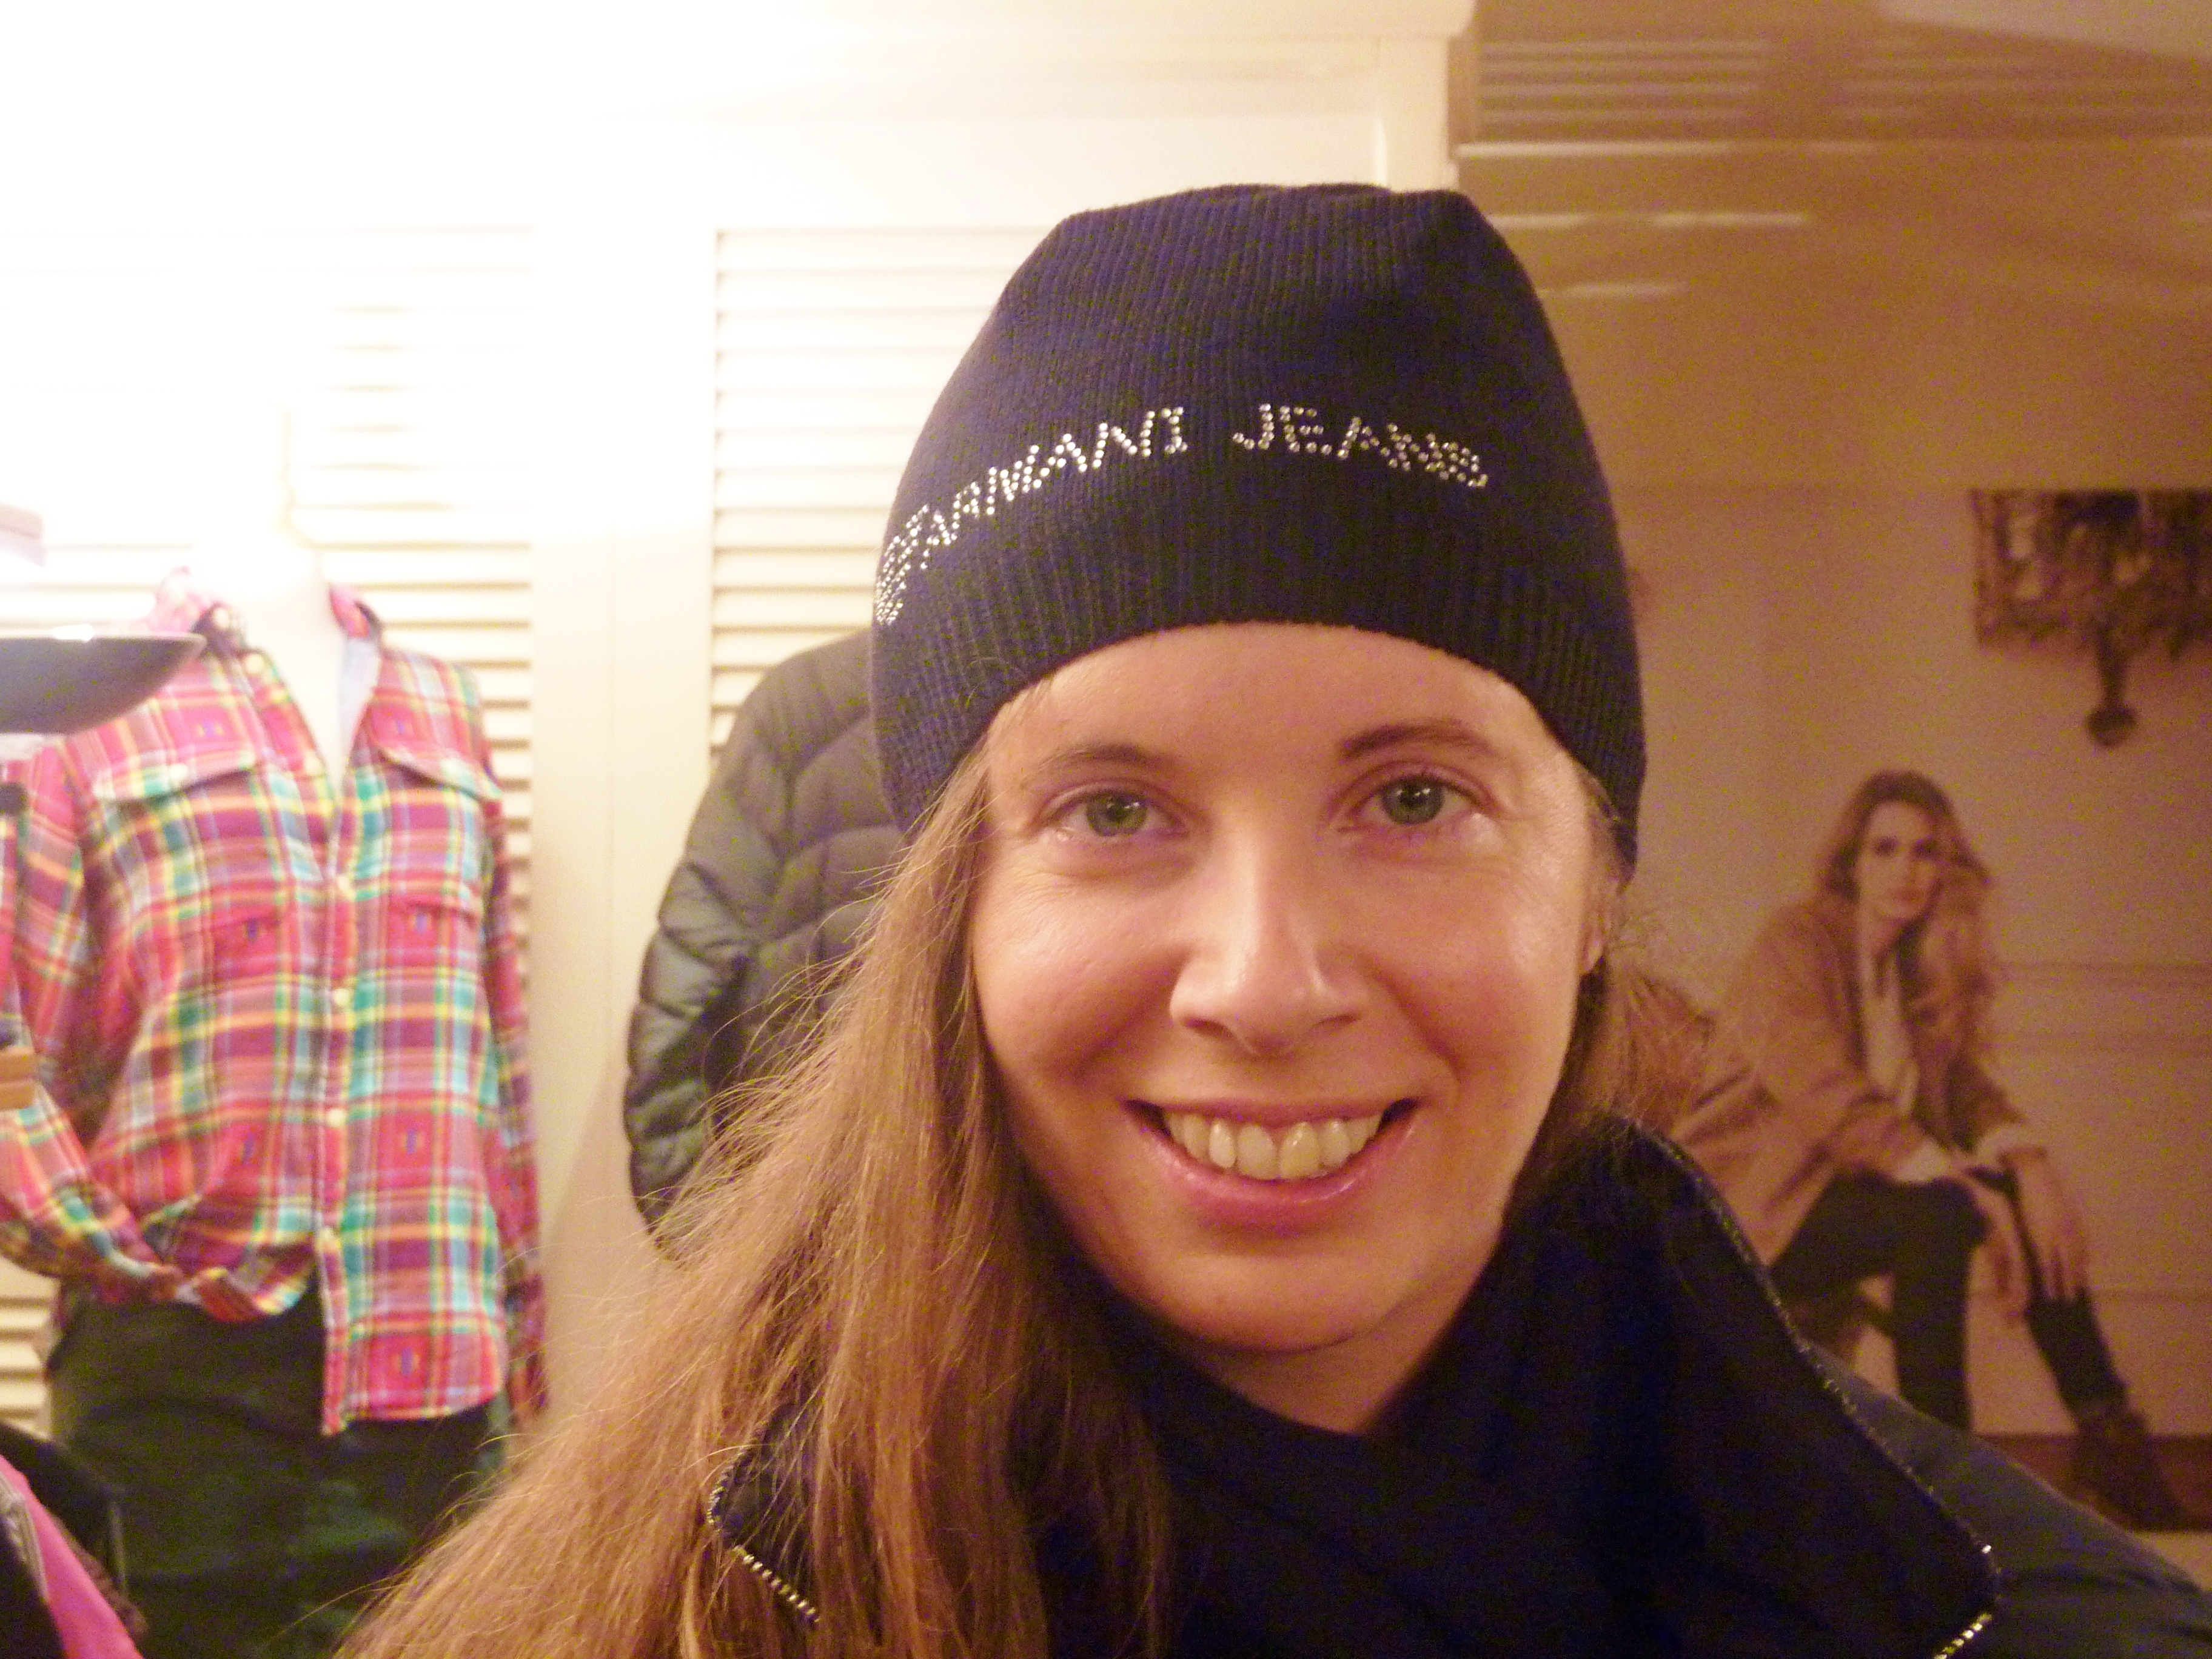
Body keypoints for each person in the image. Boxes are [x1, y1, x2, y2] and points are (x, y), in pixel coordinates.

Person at [344, 187, 2212, 1659]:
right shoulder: (650, 1611)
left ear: (1594, 887)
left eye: (1415, 800)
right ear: (958, 914)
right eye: (1114, 812)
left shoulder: (2013, 1621)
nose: (1261, 981)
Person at [2, 477, 540, 1657]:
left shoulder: (444, 708)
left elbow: (493, 1049)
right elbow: (11, 1045)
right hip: (181, 1392)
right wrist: (118, 1252)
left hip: (437, 1383)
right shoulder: (97, 709)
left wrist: (523, 1317)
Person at [1671, 770, 2199, 1530]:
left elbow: (1969, 1091)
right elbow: (1826, 1092)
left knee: (1985, 1203)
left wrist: (2031, 1170)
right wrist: (1964, 1184)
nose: (1906, 871)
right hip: (1746, 1212)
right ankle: (1946, 1478)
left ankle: (2108, 1440)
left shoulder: (1915, 967)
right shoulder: (1797, 942)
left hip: (1839, 1199)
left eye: (1926, 852)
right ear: (1852, 861)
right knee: (1943, 1211)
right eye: (1885, 849)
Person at [623, 629, 897, 1233]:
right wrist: (716, 1237)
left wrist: (708, 1232)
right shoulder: (806, 708)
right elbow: (693, 957)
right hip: (815, 1217)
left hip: (817, 1212)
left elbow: (690, 964)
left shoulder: (809, 698)